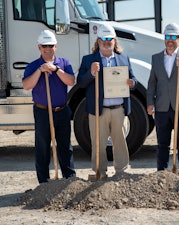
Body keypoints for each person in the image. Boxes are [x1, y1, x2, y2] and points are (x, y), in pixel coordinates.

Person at [77, 23, 137, 178]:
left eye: (109, 38)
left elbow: (133, 78)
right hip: (98, 110)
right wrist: (91, 73)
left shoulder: (123, 58)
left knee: (120, 142)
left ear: (114, 40)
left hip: (118, 109)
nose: (106, 41)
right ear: (98, 41)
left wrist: (132, 83)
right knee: (98, 143)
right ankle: (99, 172)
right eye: (103, 38)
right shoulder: (88, 60)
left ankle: (121, 171)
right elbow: (80, 83)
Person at [22, 30, 76, 183]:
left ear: (55, 46)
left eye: (50, 45)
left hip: (62, 110)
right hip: (42, 112)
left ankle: (69, 179)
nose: (47, 48)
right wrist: (40, 70)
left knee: (65, 146)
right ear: (39, 47)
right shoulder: (33, 66)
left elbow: (71, 81)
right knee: (43, 147)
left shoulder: (64, 63)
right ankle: (43, 182)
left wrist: (56, 69)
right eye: (44, 45)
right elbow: (26, 85)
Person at [146, 23, 179, 178]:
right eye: (167, 37)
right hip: (162, 106)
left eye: (173, 37)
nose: (170, 40)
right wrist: (150, 102)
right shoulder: (156, 58)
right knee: (162, 143)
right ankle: (161, 174)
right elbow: (152, 83)